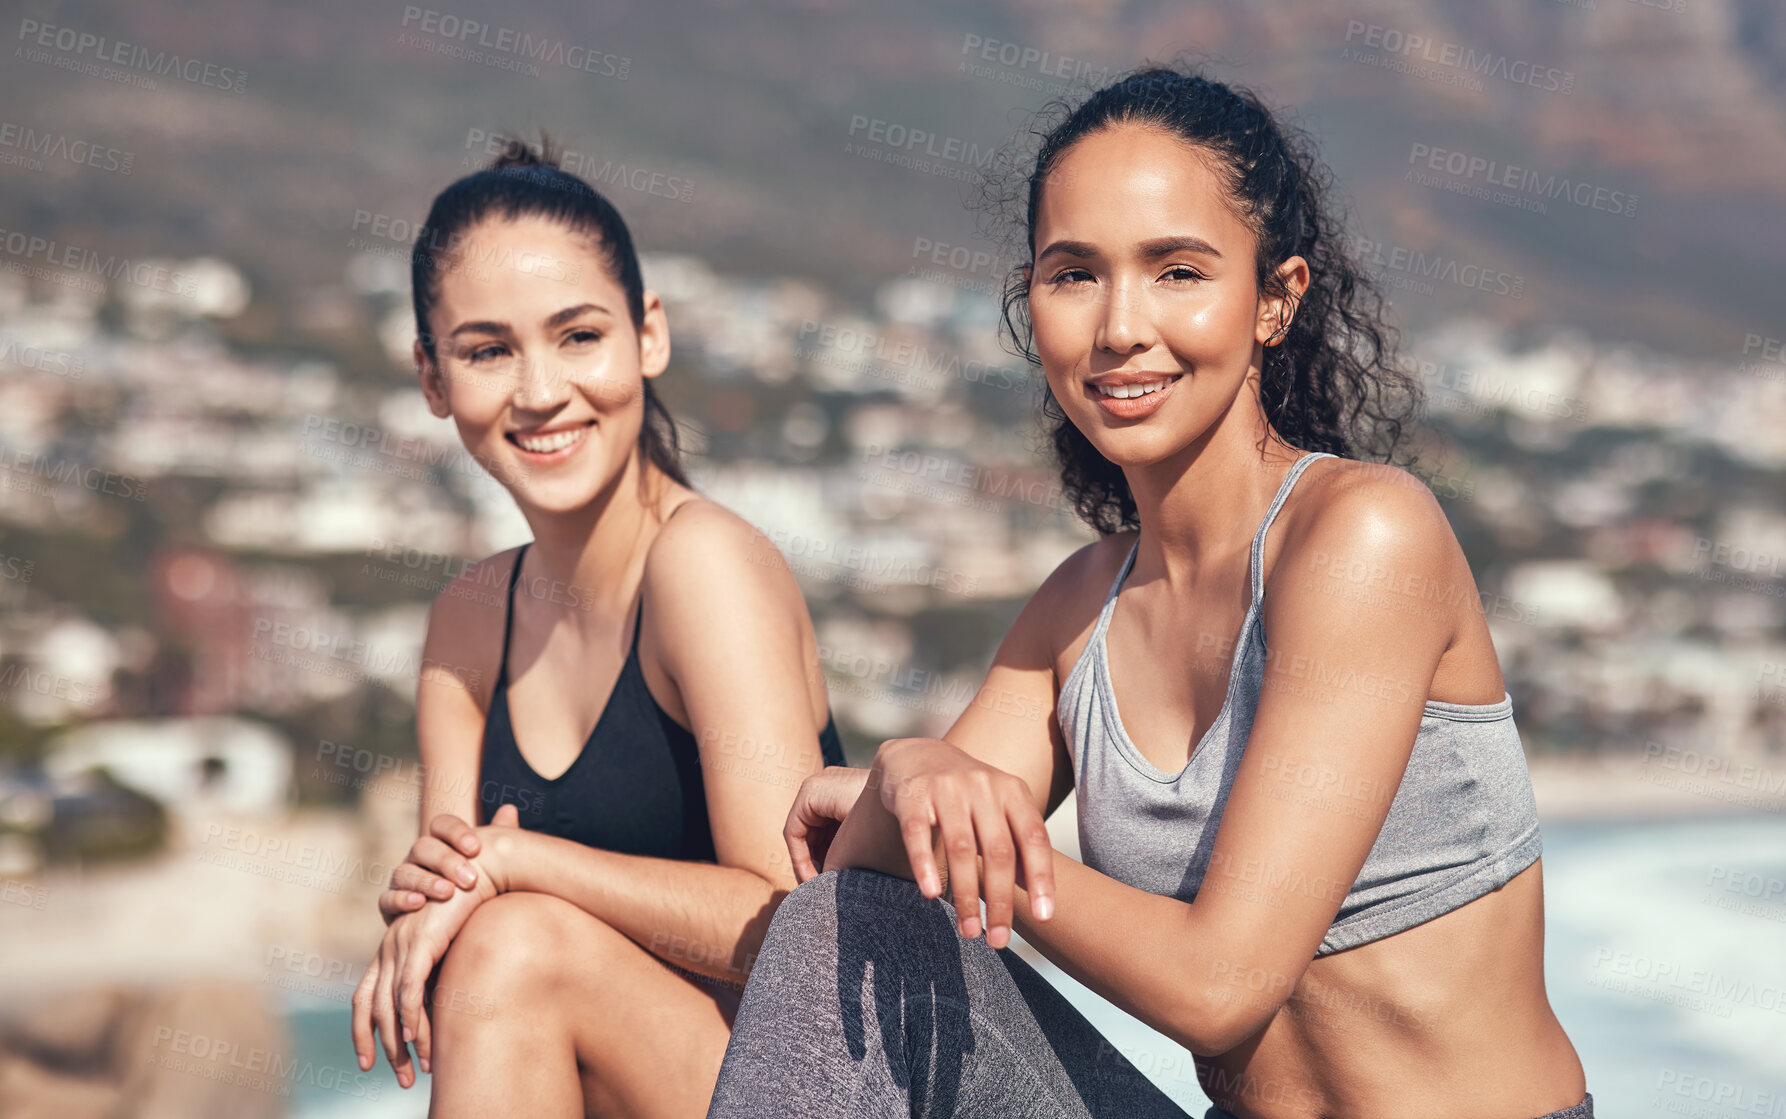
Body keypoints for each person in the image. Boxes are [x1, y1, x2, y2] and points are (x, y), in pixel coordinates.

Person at [706, 68, 1591, 1119]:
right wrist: (907, 781)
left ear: (1275, 299)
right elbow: (862, 892)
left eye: (1176, 271)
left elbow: (1219, 991)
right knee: (831, 929)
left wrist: (953, 816)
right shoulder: (1077, 609)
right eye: (1074, 275)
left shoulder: (1364, 535)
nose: (1120, 325)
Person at [345, 135, 847, 1119]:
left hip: (813, 1082)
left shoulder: (703, 566)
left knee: (516, 943)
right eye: (487, 351)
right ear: (432, 379)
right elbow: (453, 899)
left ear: (647, 334)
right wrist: (426, 908)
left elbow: (790, 923)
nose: (539, 392)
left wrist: (524, 864)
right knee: (499, 946)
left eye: (579, 336)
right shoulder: (466, 619)